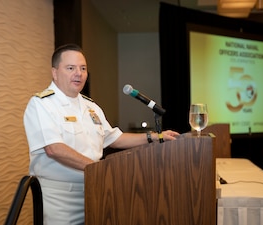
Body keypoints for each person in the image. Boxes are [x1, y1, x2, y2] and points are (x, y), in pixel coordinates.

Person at [23, 43, 179, 225]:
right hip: (60, 199)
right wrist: (100, 171)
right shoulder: (41, 104)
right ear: (55, 72)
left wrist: (155, 137)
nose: (78, 73)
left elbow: (115, 138)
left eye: (83, 68)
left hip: (96, 190)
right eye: (70, 68)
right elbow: (54, 149)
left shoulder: (91, 107)